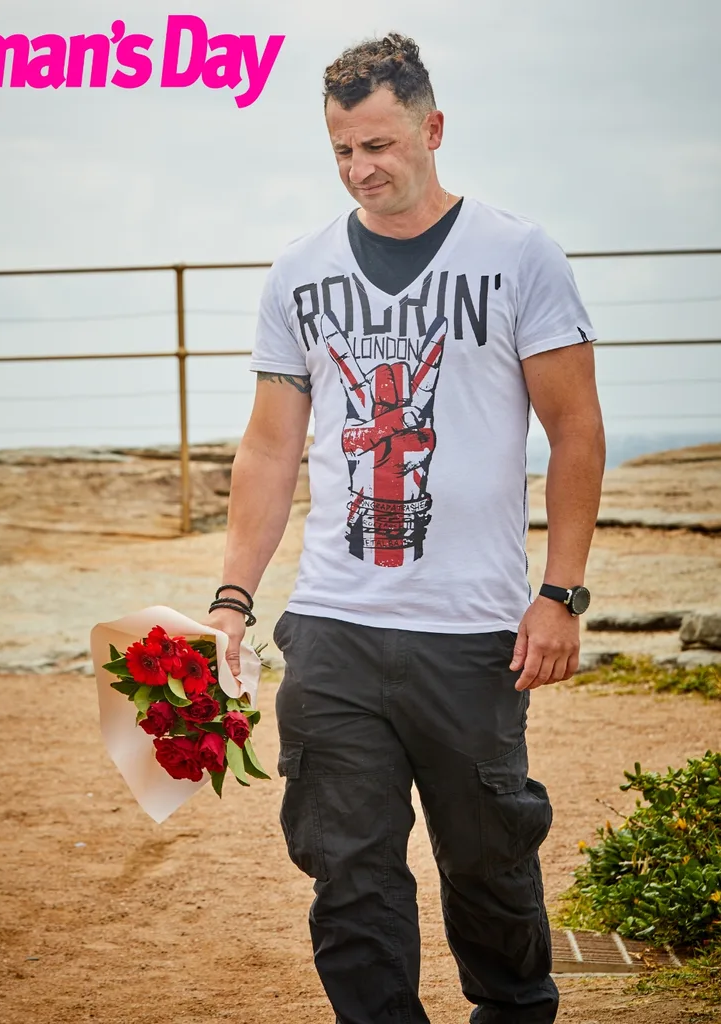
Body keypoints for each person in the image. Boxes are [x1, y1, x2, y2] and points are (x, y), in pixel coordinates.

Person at [206, 32, 605, 1024]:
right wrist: (230, 600)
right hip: (335, 624)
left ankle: (513, 1009)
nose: (360, 169)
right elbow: (267, 448)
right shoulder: (299, 271)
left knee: (488, 866)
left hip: (471, 634)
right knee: (347, 872)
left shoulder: (517, 254)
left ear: (432, 128)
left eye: (379, 144)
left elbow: (575, 429)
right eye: (342, 150)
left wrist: (558, 594)